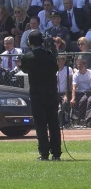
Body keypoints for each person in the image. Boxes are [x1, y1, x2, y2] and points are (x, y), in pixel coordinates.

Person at [19, 30, 61, 160]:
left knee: (41, 125)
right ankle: (56, 153)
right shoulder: (49, 55)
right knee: (54, 124)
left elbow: (24, 68)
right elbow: (56, 68)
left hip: (37, 96)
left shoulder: (28, 57)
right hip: (51, 95)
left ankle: (44, 153)